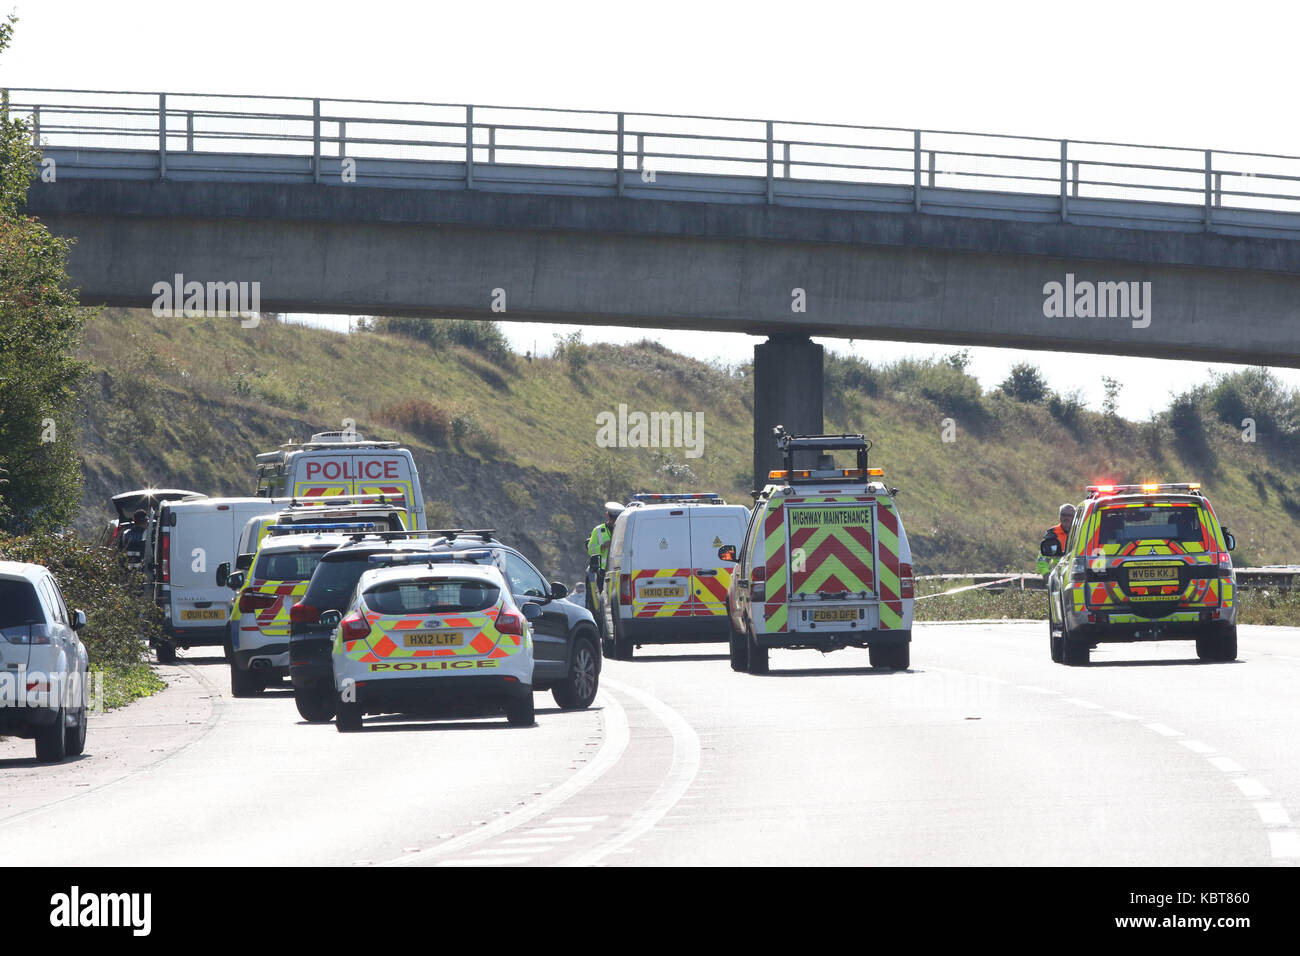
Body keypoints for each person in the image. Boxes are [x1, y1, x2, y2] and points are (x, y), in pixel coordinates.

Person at [585, 501, 624, 615]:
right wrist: (602, 547)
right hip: (604, 572)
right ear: (607, 515)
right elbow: (590, 549)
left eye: (616, 518)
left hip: (620, 571)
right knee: (605, 602)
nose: (614, 520)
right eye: (612, 517)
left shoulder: (624, 529)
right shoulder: (598, 531)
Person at [1036, 503, 1075, 576]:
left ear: (1075, 517)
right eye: (1063, 515)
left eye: (1069, 515)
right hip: (1058, 575)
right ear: (1059, 516)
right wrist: (1046, 574)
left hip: (1077, 573)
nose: (1066, 518)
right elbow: (1043, 558)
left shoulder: (1082, 532)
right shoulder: (1052, 533)